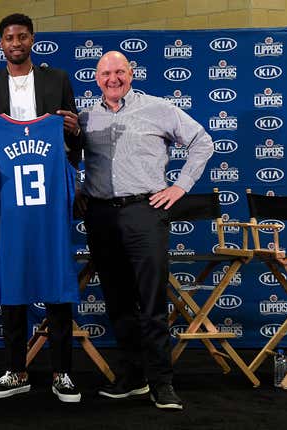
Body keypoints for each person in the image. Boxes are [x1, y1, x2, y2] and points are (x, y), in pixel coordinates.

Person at [78, 51, 214, 411]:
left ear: (131, 73)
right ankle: (133, 378)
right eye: (106, 73)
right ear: (96, 78)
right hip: (101, 215)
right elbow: (68, 159)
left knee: (152, 302)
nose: (113, 79)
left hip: (145, 211)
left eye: (119, 71)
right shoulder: (85, 117)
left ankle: (162, 382)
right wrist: (77, 191)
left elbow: (203, 141)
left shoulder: (158, 108)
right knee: (118, 300)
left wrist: (181, 186)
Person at [0, 13, 82, 402]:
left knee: (56, 275)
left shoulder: (57, 80)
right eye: (8, 37)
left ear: (32, 39)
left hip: (48, 195)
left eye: (22, 36)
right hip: (7, 195)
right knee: (13, 278)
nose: (15, 42)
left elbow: (73, 138)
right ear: (0, 44)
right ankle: (16, 369)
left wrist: (74, 130)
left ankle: (63, 371)